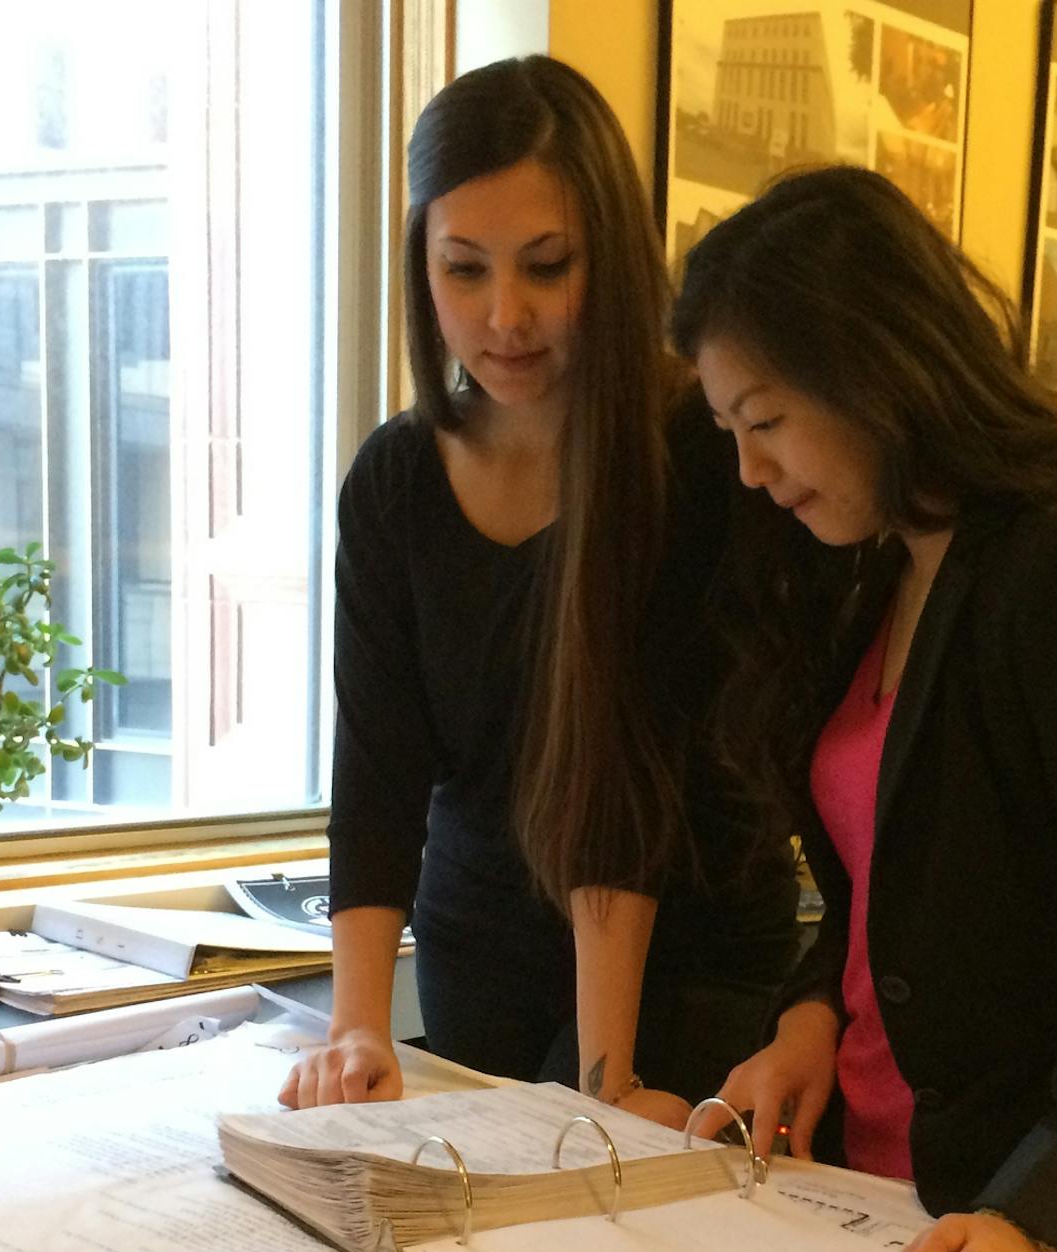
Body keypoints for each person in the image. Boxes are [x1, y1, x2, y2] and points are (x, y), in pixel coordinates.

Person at [676, 166, 1057, 1252]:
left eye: (767, 421)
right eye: (730, 431)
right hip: (886, 1201)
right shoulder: (874, 570)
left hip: (1054, 1230)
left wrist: (1039, 1214)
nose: (751, 471)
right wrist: (807, 1018)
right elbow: (891, 885)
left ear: (871, 365)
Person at [280, 57, 796, 1124]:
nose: (504, 316)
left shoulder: (691, 456)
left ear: (607, 256)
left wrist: (607, 1079)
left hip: (681, 961)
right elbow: (377, 776)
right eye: (464, 270)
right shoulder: (394, 482)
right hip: (480, 952)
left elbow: (628, 781)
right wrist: (359, 1028)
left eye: (547, 267)